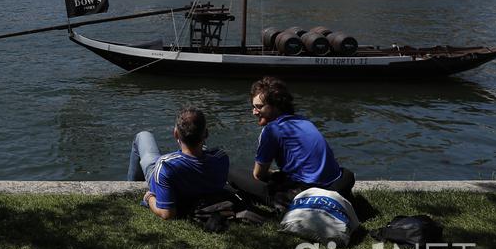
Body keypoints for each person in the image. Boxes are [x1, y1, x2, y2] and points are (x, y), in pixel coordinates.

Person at [228, 76, 355, 210]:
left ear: (276, 105)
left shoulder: (272, 130)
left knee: (231, 172)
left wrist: (271, 174)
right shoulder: (303, 121)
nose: (254, 112)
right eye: (253, 107)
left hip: (307, 192)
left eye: (259, 107)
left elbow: (259, 174)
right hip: (334, 185)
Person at [127, 108, 230, 220]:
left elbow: (167, 214)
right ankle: (193, 139)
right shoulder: (221, 158)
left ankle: (130, 187)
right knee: (199, 146)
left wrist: (149, 198)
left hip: (162, 173)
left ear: (175, 134)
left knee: (143, 135)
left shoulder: (165, 166)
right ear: (206, 133)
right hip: (198, 178)